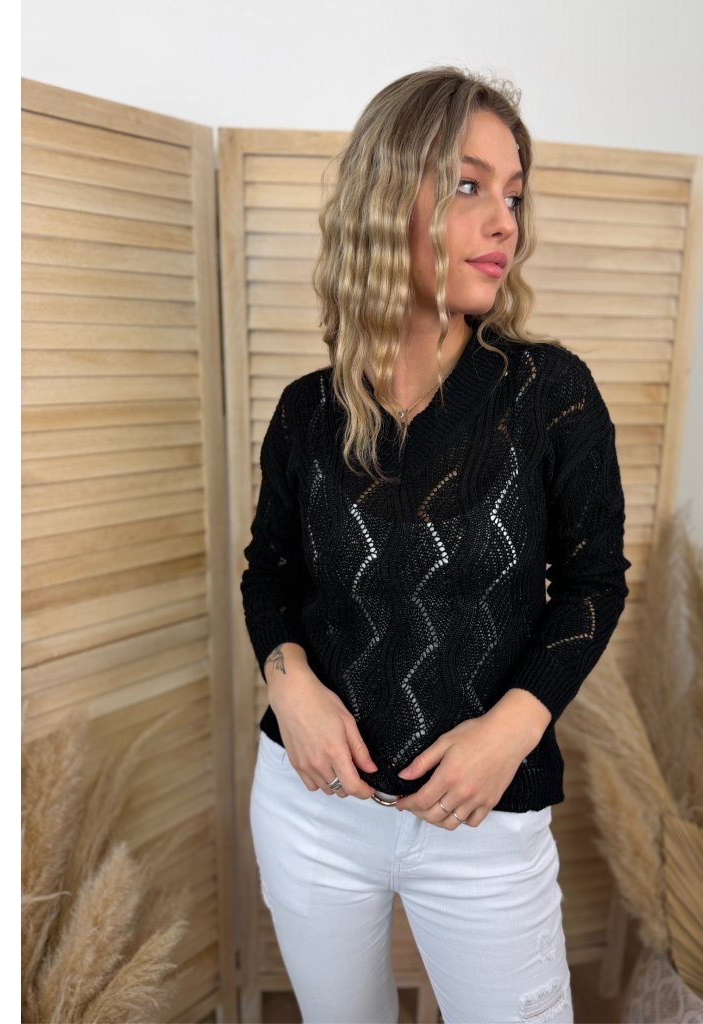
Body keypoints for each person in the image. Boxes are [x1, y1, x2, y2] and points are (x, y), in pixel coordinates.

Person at [241, 65, 631, 1024]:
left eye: (514, 196)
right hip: (312, 805)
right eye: (467, 186)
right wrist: (290, 687)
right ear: (386, 199)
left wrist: (510, 733)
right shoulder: (306, 413)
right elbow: (269, 575)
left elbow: (593, 583)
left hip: (485, 815)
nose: (504, 222)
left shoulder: (550, 395)